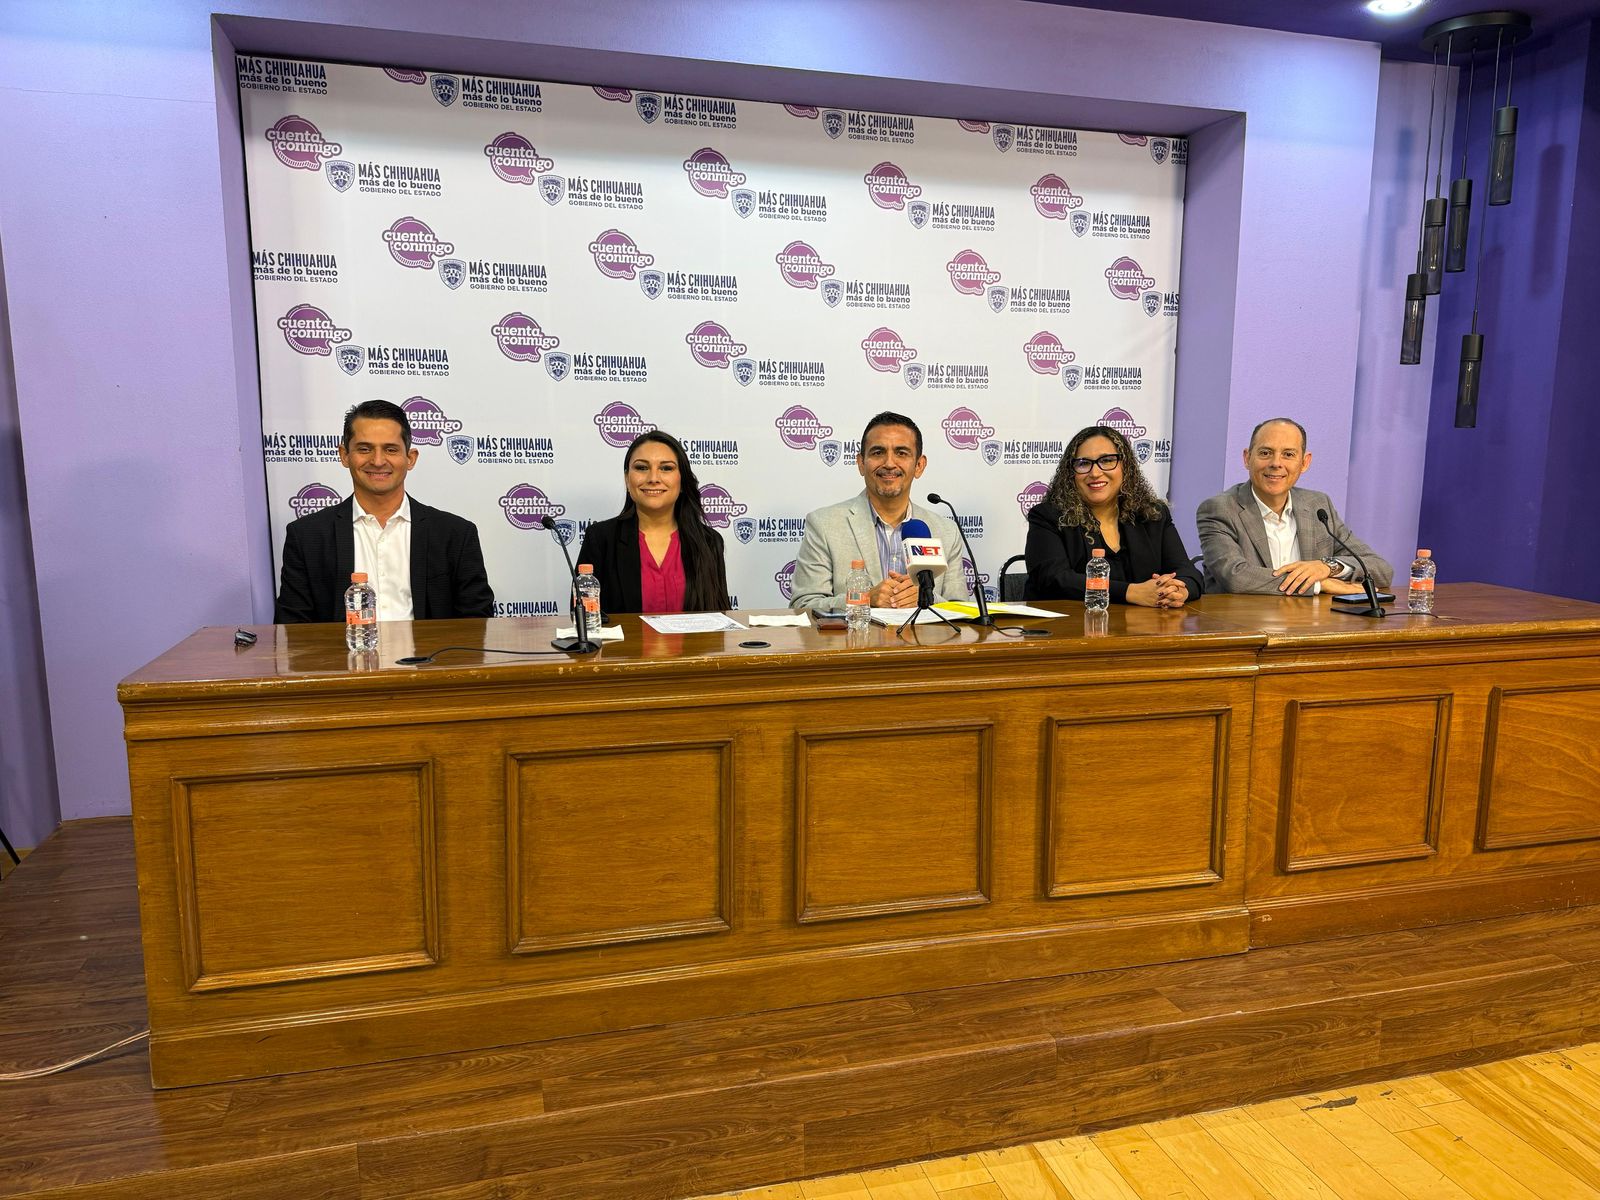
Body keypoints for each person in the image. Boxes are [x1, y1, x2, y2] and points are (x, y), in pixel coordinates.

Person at [274, 400, 494, 623]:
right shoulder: (306, 536)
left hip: (430, 648)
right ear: (344, 455)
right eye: (364, 449)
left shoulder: (455, 535)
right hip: (342, 647)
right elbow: (291, 628)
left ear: (410, 458)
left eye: (390, 449)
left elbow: (477, 623)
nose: (378, 461)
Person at [790, 411, 970, 613]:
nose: (889, 463)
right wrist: (863, 599)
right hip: (858, 635)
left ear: (919, 465)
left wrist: (927, 598)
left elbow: (961, 610)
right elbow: (803, 606)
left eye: (901, 453)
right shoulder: (824, 524)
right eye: (878, 453)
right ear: (861, 463)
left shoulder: (946, 531)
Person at [1196, 417, 1392, 595]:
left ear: (1304, 463)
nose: (1276, 463)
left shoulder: (1318, 505)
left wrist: (1327, 567)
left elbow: (1381, 569)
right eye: (1265, 453)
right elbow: (1236, 577)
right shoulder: (1219, 509)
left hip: (1309, 620)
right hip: (1242, 620)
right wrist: (1318, 585)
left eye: (1288, 454)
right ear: (1247, 458)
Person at [1025, 425, 1201, 607]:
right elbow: (1053, 579)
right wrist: (1131, 592)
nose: (1095, 473)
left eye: (1107, 460)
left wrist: (1178, 591)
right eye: (1083, 463)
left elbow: (1188, 573)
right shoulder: (1048, 516)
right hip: (1069, 622)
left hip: (1141, 624)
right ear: (1071, 473)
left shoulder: (1152, 514)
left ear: (1126, 466)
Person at [575, 430, 731, 614]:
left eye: (666, 468)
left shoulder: (709, 541)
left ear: (682, 481)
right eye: (642, 468)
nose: (653, 479)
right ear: (627, 479)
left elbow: (721, 618)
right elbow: (583, 617)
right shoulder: (601, 539)